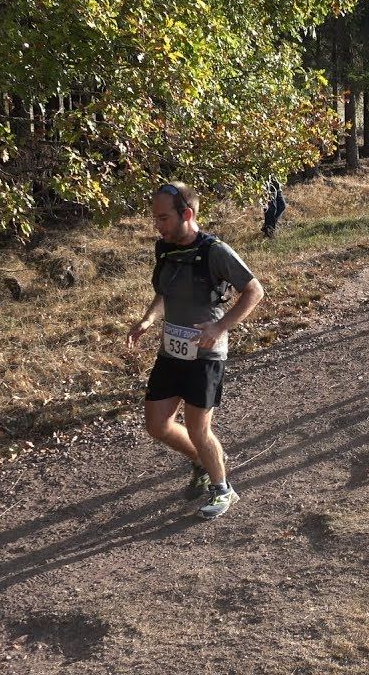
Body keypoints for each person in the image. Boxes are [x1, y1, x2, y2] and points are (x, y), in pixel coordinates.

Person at [126, 182, 265, 519]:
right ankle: (202, 461)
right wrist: (148, 319)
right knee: (157, 425)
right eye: (155, 218)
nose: (157, 225)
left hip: (207, 354)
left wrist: (220, 326)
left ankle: (223, 489)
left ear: (186, 214)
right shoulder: (166, 248)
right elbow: (164, 292)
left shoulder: (216, 251)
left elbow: (254, 290)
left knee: (197, 427)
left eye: (162, 218)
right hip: (172, 352)